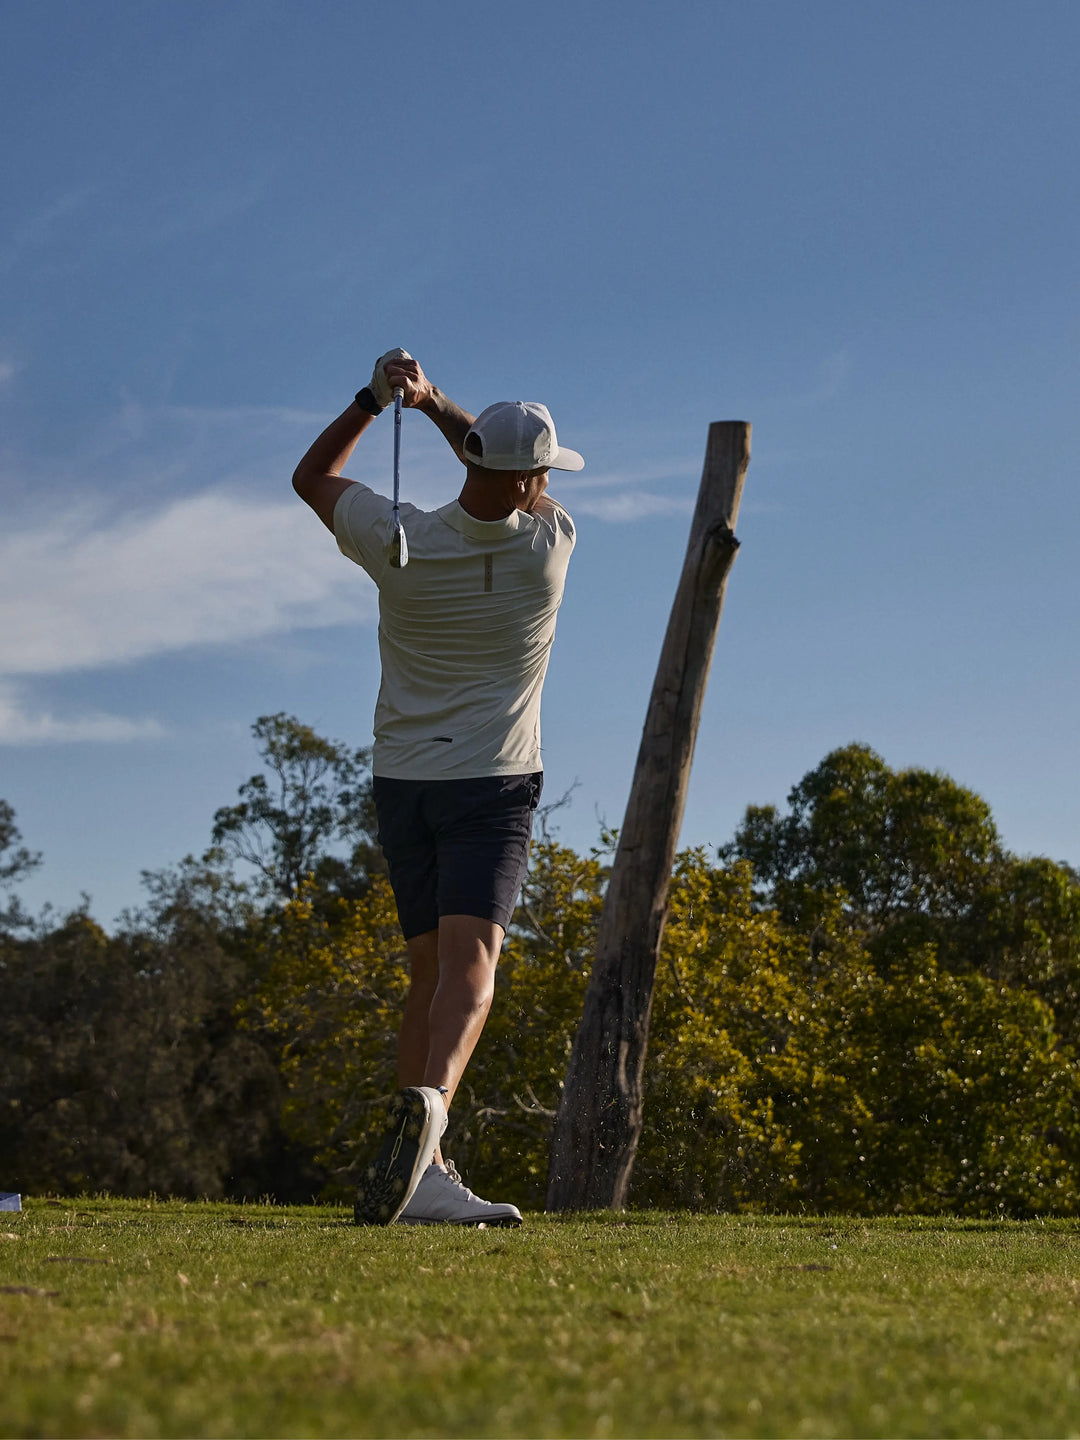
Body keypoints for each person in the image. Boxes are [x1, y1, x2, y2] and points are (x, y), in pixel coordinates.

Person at [292, 350, 582, 1227]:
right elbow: (498, 469)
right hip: (490, 784)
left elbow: (312, 477)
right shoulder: (547, 547)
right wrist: (435, 404)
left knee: (429, 973)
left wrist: (376, 400)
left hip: (403, 782)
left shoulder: (397, 537)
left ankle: (424, 1177)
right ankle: (432, 1111)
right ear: (532, 480)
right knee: (472, 968)